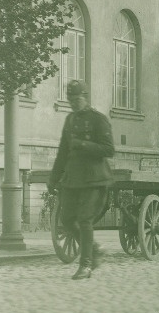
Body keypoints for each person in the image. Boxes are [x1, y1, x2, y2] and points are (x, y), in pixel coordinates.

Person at [47, 80, 115, 280]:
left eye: (77, 99)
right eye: (71, 100)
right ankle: (94, 248)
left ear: (86, 98)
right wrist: (53, 179)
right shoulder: (69, 120)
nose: (74, 103)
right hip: (72, 178)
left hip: (94, 178)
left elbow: (109, 149)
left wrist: (84, 144)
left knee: (84, 219)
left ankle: (86, 265)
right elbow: (62, 152)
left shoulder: (98, 120)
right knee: (67, 219)